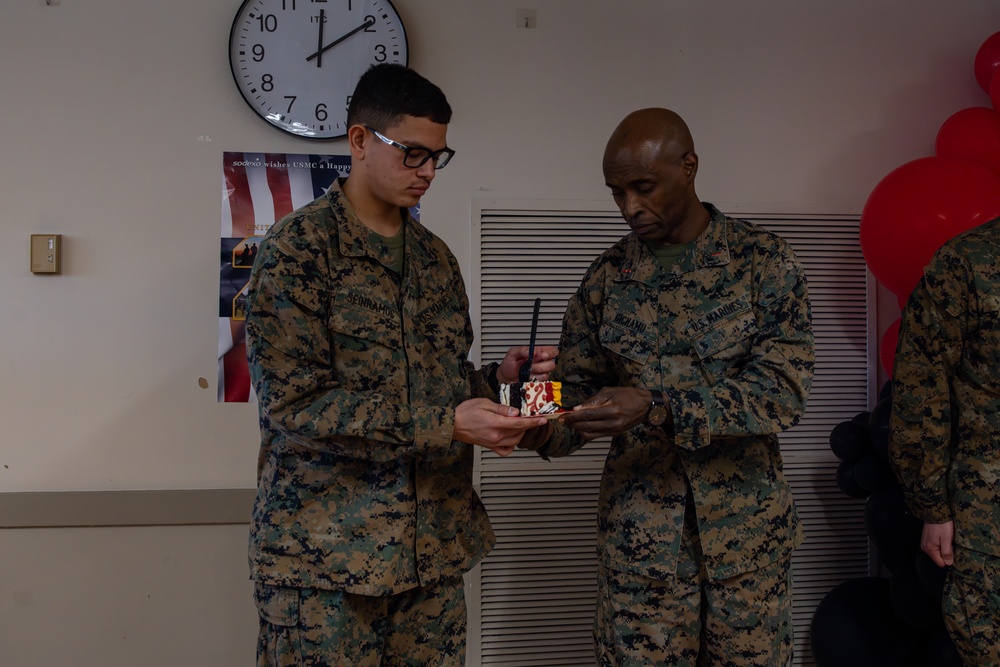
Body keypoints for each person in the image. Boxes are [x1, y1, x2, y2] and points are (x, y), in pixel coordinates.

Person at [244, 63, 555, 667]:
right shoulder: (297, 251)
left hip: (430, 558)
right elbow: (295, 403)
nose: (429, 172)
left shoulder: (435, 260)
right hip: (325, 568)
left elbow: (440, 380)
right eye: (413, 154)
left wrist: (499, 381)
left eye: (439, 156)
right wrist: (449, 423)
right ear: (359, 141)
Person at [519, 108, 814, 665]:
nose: (630, 207)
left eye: (644, 187)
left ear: (689, 167)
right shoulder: (606, 278)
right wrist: (529, 414)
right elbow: (575, 393)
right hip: (642, 550)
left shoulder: (763, 263)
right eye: (617, 192)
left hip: (746, 545)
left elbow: (782, 391)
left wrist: (656, 406)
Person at [889, 217, 1000, 665]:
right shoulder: (969, 260)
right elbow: (921, 388)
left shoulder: (967, 258)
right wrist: (932, 504)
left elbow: (922, 388)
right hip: (989, 515)